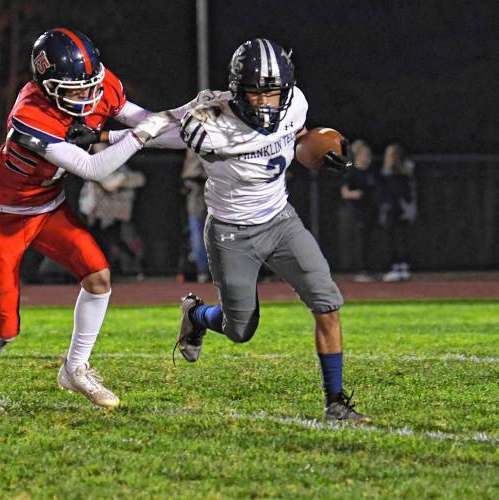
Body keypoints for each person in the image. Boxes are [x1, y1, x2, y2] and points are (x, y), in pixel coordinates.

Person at [149, 39, 368, 421]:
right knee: (240, 329)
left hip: (280, 220)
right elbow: (153, 131)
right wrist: (99, 138)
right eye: (256, 92)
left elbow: (294, 137)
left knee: (327, 302)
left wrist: (314, 146)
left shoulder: (296, 102)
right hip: (231, 233)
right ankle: (197, 316)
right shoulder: (213, 120)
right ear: (237, 90)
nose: (266, 101)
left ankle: (335, 401)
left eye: (273, 92)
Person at [0, 28, 177, 412]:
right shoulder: (30, 114)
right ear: (45, 85)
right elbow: (94, 167)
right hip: (3, 220)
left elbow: (145, 121)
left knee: (98, 276)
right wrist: (143, 133)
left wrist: (191, 125)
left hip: (48, 208)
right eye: (74, 90)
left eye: (90, 86)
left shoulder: (97, 85)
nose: (87, 96)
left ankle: (75, 368)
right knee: (4, 325)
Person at [78, 143, 146, 278]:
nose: (99, 149)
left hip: (113, 212)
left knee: (113, 238)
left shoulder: (118, 164)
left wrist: (121, 180)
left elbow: (138, 179)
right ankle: (100, 269)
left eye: (102, 147)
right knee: (97, 239)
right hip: (94, 211)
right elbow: (102, 185)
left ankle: (133, 266)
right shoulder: (92, 163)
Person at [339, 140, 379, 282]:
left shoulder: (372, 172)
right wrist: (355, 194)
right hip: (356, 211)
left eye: (369, 155)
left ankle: (369, 268)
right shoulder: (351, 172)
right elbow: (345, 192)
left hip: (370, 210)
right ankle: (360, 270)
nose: (367, 158)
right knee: (359, 240)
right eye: (365, 155)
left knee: (370, 240)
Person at [379, 143, 416, 282]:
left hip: (398, 210)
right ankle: (398, 266)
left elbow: (403, 194)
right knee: (393, 239)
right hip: (392, 210)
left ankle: (401, 267)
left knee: (400, 238)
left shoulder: (400, 174)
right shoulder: (387, 172)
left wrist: (407, 209)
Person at [180, 149, 210, 283]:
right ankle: (202, 270)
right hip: (196, 187)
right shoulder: (194, 136)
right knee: (196, 229)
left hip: (211, 186)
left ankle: (205, 270)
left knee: (201, 230)